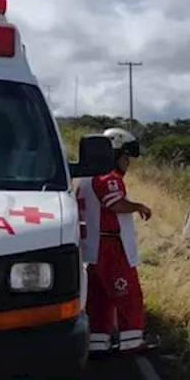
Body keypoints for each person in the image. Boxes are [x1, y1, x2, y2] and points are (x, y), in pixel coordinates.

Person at [77, 127, 153, 356]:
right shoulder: (108, 178)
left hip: (92, 248)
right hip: (110, 245)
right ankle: (131, 342)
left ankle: (97, 342)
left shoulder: (85, 179)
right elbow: (115, 204)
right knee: (128, 294)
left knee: (99, 298)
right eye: (125, 157)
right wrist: (139, 206)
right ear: (114, 154)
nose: (128, 163)